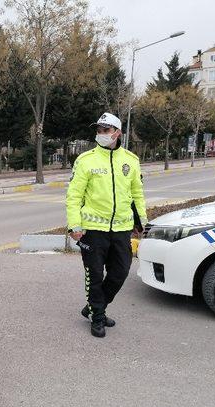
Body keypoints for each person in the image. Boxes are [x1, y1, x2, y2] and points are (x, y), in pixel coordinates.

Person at [66, 112, 147, 338]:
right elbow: (73, 196)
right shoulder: (85, 160)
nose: (101, 134)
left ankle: (93, 307)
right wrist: (75, 225)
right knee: (94, 276)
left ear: (117, 133)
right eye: (99, 131)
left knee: (120, 273)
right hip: (93, 230)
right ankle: (98, 317)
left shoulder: (130, 160)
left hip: (121, 229)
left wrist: (143, 223)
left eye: (106, 130)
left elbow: (137, 194)